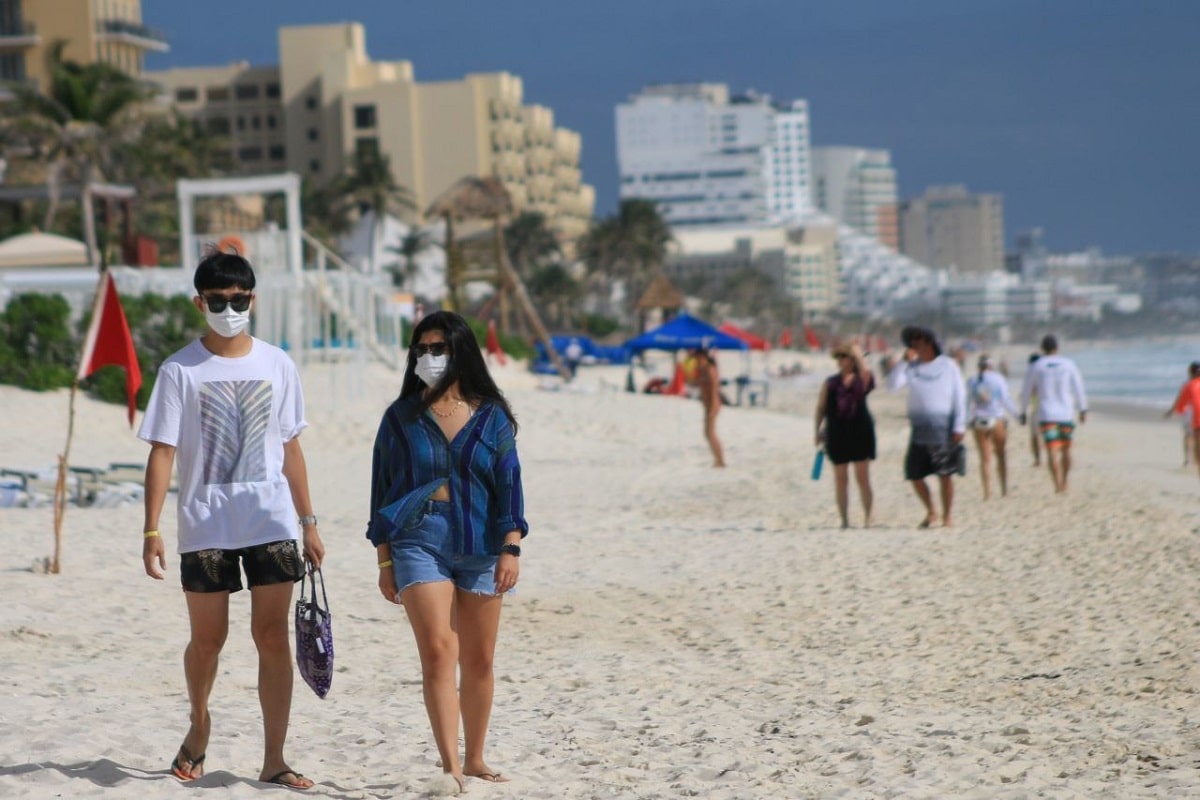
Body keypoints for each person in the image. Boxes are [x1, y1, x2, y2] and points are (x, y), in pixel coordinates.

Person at [139, 249, 325, 790]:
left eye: (238, 299)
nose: (229, 308)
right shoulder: (179, 369)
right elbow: (162, 451)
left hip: (271, 522)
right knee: (208, 641)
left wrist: (309, 521)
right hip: (206, 526)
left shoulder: (278, 363)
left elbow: (291, 448)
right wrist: (151, 528)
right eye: (217, 301)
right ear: (199, 302)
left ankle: (274, 758)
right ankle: (199, 725)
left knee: (272, 637)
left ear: (253, 299)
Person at [367, 310, 527, 793]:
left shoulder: (492, 417)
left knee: (478, 659)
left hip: (481, 542)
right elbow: (380, 489)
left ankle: (474, 757)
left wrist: (511, 547)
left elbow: (509, 484)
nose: (430, 358)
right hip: (418, 539)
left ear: (461, 354)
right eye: (422, 349)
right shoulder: (400, 418)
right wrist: (385, 559)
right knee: (439, 649)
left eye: (440, 349)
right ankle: (449, 764)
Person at [886, 325, 967, 528]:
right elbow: (892, 386)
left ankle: (947, 516)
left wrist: (959, 425)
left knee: (945, 475)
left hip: (944, 430)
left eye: (918, 340)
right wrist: (903, 362)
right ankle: (932, 511)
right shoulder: (911, 368)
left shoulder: (948, 365)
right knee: (913, 474)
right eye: (911, 341)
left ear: (929, 342)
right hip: (919, 431)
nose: (914, 344)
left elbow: (960, 396)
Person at [814, 343, 875, 528]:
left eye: (845, 357)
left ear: (852, 360)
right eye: (839, 357)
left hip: (860, 432)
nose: (841, 361)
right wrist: (816, 431)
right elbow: (821, 408)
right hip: (837, 432)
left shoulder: (861, 380)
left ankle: (868, 517)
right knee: (840, 479)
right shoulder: (830, 382)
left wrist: (858, 354)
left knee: (862, 478)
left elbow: (867, 374)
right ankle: (844, 520)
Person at [1020, 334, 1088, 493]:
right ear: (1057, 348)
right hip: (1066, 413)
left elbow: (1026, 391)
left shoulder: (1036, 365)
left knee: (1051, 449)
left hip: (1046, 413)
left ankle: (1057, 485)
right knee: (1066, 449)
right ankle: (1065, 482)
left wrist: (1022, 411)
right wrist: (1083, 408)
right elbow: (1078, 387)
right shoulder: (1069, 364)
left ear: (1042, 349)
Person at [966, 354, 1020, 499]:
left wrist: (966, 421)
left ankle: (987, 492)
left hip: (979, 420)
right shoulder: (998, 379)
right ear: (991, 366)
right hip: (996, 419)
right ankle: (1004, 489)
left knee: (985, 458)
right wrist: (1017, 415)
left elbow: (967, 403)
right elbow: (1006, 400)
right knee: (1001, 455)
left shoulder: (972, 380)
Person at [1164, 361, 1200, 473]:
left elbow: (1180, 402)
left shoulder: (1188, 384)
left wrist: (1173, 411)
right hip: (1192, 413)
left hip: (1193, 414)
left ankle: (1192, 461)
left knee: (1193, 438)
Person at [693, 348, 726, 467]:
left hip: (713, 404)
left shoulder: (710, 369)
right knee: (708, 433)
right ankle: (718, 460)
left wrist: (712, 406)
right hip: (707, 404)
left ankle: (720, 461)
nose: (697, 360)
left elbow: (714, 390)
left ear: (705, 357)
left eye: (699, 358)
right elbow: (697, 384)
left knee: (710, 433)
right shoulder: (702, 370)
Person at [1026, 353, 1043, 467]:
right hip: (1050, 410)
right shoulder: (1046, 374)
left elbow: (1026, 394)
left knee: (1034, 436)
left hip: (1036, 410)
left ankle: (1037, 459)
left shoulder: (1030, 375)